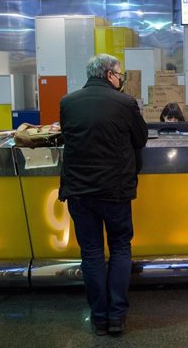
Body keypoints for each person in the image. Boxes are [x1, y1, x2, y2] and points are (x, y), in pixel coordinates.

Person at [59, 54, 148, 336]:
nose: (120, 79)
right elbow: (141, 139)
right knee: (121, 248)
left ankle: (98, 318)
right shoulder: (125, 103)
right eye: (119, 74)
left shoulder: (67, 102)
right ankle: (116, 318)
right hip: (115, 190)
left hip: (79, 192)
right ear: (110, 74)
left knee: (92, 253)